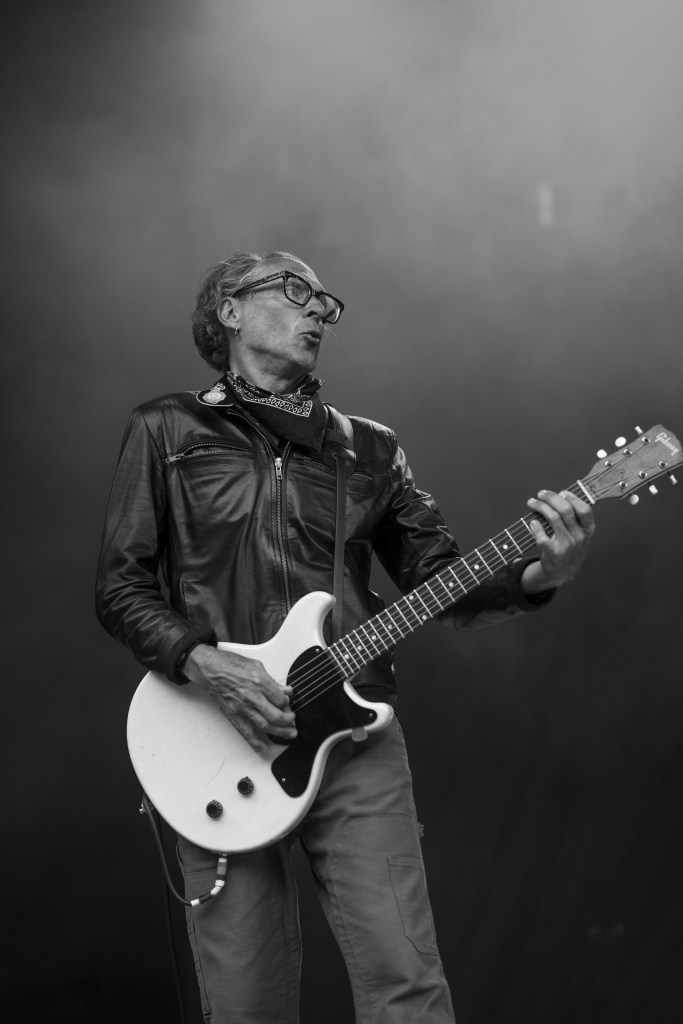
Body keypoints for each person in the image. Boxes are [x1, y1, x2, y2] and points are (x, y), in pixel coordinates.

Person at [96, 250, 595, 1024]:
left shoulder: (369, 448)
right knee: (245, 1002)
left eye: (326, 304)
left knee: (406, 985)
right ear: (230, 309)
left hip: (354, 734)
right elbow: (120, 586)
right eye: (297, 291)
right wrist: (206, 663)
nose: (317, 311)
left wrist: (539, 575)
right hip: (214, 733)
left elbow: (443, 582)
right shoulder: (167, 427)